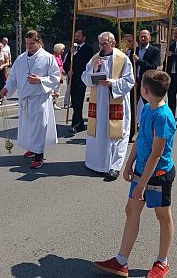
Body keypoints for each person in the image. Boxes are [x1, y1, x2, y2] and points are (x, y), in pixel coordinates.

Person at [94, 70, 176, 278]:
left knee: (162, 215)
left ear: (146, 90)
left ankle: (162, 261)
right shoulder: (148, 108)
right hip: (141, 171)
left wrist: (142, 184)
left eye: (141, 86)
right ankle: (121, 260)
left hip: (158, 175)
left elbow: (156, 155)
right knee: (131, 210)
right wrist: (129, 163)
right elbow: (140, 139)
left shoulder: (163, 117)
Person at [1, 30, 60, 169]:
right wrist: (7, 88)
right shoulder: (21, 58)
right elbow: (13, 77)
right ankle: (33, 148)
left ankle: (39, 156)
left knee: (38, 128)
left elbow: (56, 78)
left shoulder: (48, 58)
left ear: (39, 42)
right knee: (27, 128)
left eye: (32, 43)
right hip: (25, 100)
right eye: (27, 43)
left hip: (39, 99)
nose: (29, 46)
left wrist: (40, 80)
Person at [81, 32, 134, 181]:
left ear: (113, 43)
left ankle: (114, 167)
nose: (101, 46)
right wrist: (94, 70)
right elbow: (84, 78)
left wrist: (113, 83)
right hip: (98, 102)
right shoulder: (95, 59)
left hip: (115, 100)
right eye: (100, 43)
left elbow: (130, 81)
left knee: (117, 134)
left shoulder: (123, 59)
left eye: (104, 43)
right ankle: (95, 163)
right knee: (98, 132)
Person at [129, 30, 161, 142]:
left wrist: (139, 61)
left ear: (149, 38)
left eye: (145, 37)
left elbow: (153, 67)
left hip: (147, 84)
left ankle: (151, 132)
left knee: (150, 107)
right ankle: (131, 132)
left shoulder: (155, 51)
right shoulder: (135, 50)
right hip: (135, 83)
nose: (142, 39)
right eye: (141, 36)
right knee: (132, 108)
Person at [63, 30, 93, 134]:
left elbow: (85, 63)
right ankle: (80, 123)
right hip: (72, 79)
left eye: (79, 36)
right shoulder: (72, 49)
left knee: (78, 101)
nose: (76, 38)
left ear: (84, 38)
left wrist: (75, 53)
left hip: (81, 79)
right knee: (74, 102)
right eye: (76, 36)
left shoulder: (88, 49)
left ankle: (75, 123)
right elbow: (66, 64)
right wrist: (68, 71)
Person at [52, 43, 66, 110]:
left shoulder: (59, 56)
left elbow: (61, 66)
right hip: (55, 76)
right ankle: (52, 103)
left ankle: (54, 103)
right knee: (54, 90)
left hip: (60, 75)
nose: (63, 51)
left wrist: (63, 72)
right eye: (62, 49)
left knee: (58, 90)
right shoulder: (53, 57)